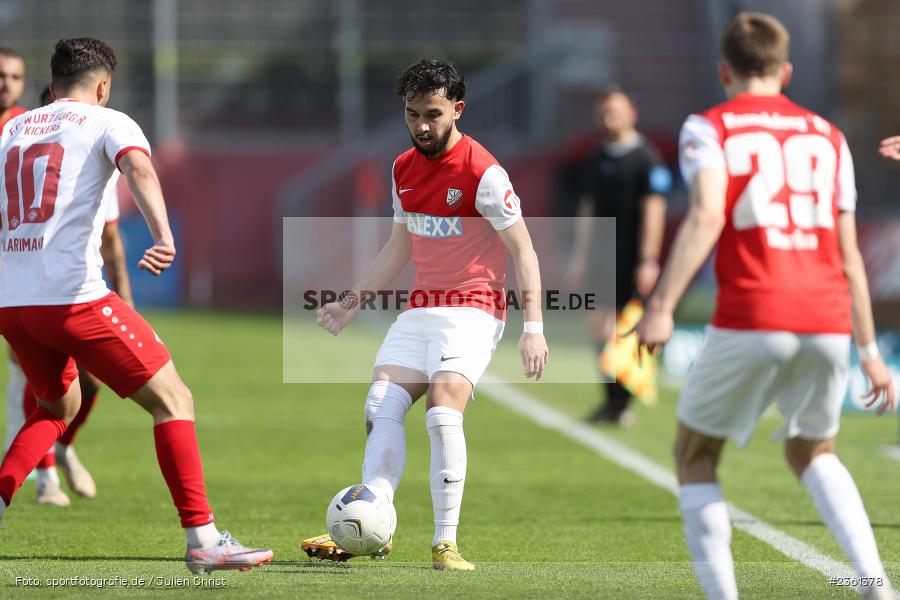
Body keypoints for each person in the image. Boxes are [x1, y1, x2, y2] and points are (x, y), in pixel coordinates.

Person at [633, 13, 895, 600]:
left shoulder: (709, 126)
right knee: (814, 449)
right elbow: (850, 256)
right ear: (787, 70)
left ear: (724, 70)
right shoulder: (829, 135)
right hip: (827, 318)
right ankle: (877, 585)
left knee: (695, 452)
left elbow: (706, 215)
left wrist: (662, 304)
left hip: (754, 310)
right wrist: (871, 353)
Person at [0, 38, 272, 574]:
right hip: (72, 298)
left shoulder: (11, 130)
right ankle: (203, 539)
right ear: (102, 86)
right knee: (174, 399)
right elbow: (140, 170)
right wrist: (164, 234)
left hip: (12, 303)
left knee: (57, 408)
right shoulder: (109, 121)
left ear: (52, 85)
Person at [301, 58, 549, 571]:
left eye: (433, 114)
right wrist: (350, 304)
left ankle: (445, 544)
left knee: (441, 409)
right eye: (412, 114)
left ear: (457, 109)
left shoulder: (484, 172)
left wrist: (534, 329)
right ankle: (375, 523)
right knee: (380, 403)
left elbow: (524, 249)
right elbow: (398, 248)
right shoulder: (401, 168)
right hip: (420, 310)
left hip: (475, 310)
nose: (421, 125)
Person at [567, 86, 671, 426]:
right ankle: (611, 400)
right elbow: (586, 208)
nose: (609, 117)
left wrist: (648, 259)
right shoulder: (596, 156)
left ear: (632, 113)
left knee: (628, 327)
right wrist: (579, 257)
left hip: (630, 255)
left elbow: (654, 209)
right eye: (604, 112)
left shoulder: (646, 158)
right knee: (598, 326)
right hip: (599, 254)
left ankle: (623, 401)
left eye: (615, 110)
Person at [0, 47, 25, 130]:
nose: (7, 84)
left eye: (15, 77)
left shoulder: (28, 125)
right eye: (1, 76)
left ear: (23, 83)